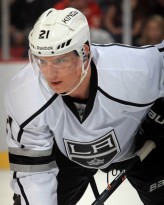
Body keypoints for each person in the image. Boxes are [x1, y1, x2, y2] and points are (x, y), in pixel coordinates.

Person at [4, 7, 164, 205]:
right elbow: (33, 173)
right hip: (66, 157)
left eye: (60, 60)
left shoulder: (132, 70)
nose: (49, 73)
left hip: (140, 143)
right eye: (41, 60)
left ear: (85, 53)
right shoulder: (25, 93)